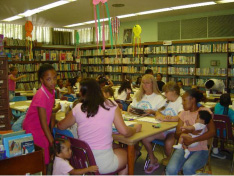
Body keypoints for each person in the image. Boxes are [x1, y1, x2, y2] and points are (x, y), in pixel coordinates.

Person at [57, 78, 142, 174]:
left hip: (83, 160)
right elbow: (125, 132)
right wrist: (135, 128)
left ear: (83, 93)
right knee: (131, 153)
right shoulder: (111, 105)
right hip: (102, 164)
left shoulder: (78, 108)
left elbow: (61, 126)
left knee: (117, 149)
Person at [166, 89, 215, 175]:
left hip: (200, 150)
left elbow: (212, 132)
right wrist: (187, 132)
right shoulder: (183, 114)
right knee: (170, 169)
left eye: (184, 100)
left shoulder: (204, 112)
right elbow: (177, 135)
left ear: (193, 99)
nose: (182, 103)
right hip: (184, 148)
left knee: (188, 168)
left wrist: (194, 139)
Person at [22, 64, 60, 167]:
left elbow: (49, 112)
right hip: (34, 127)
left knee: (45, 152)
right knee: (43, 155)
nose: (53, 81)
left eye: (55, 78)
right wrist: (52, 141)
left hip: (41, 127)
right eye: (48, 79)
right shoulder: (41, 95)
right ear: (42, 80)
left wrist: (52, 133)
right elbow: (43, 122)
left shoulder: (51, 91)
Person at [142, 81, 183, 174]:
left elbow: (181, 117)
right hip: (163, 129)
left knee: (169, 144)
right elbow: (157, 111)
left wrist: (170, 119)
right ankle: (153, 159)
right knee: (145, 137)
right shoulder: (166, 100)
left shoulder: (180, 101)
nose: (164, 94)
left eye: (166, 92)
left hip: (174, 131)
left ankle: (171, 166)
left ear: (174, 92)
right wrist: (159, 115)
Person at [212, 93, 234, 159]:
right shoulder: (230, 111)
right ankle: (221, 147)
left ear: (219, 100)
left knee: (219, 129)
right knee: (226, 129)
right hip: (226, 134)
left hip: (215, 132)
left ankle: (217, 149)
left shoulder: (217, 106)